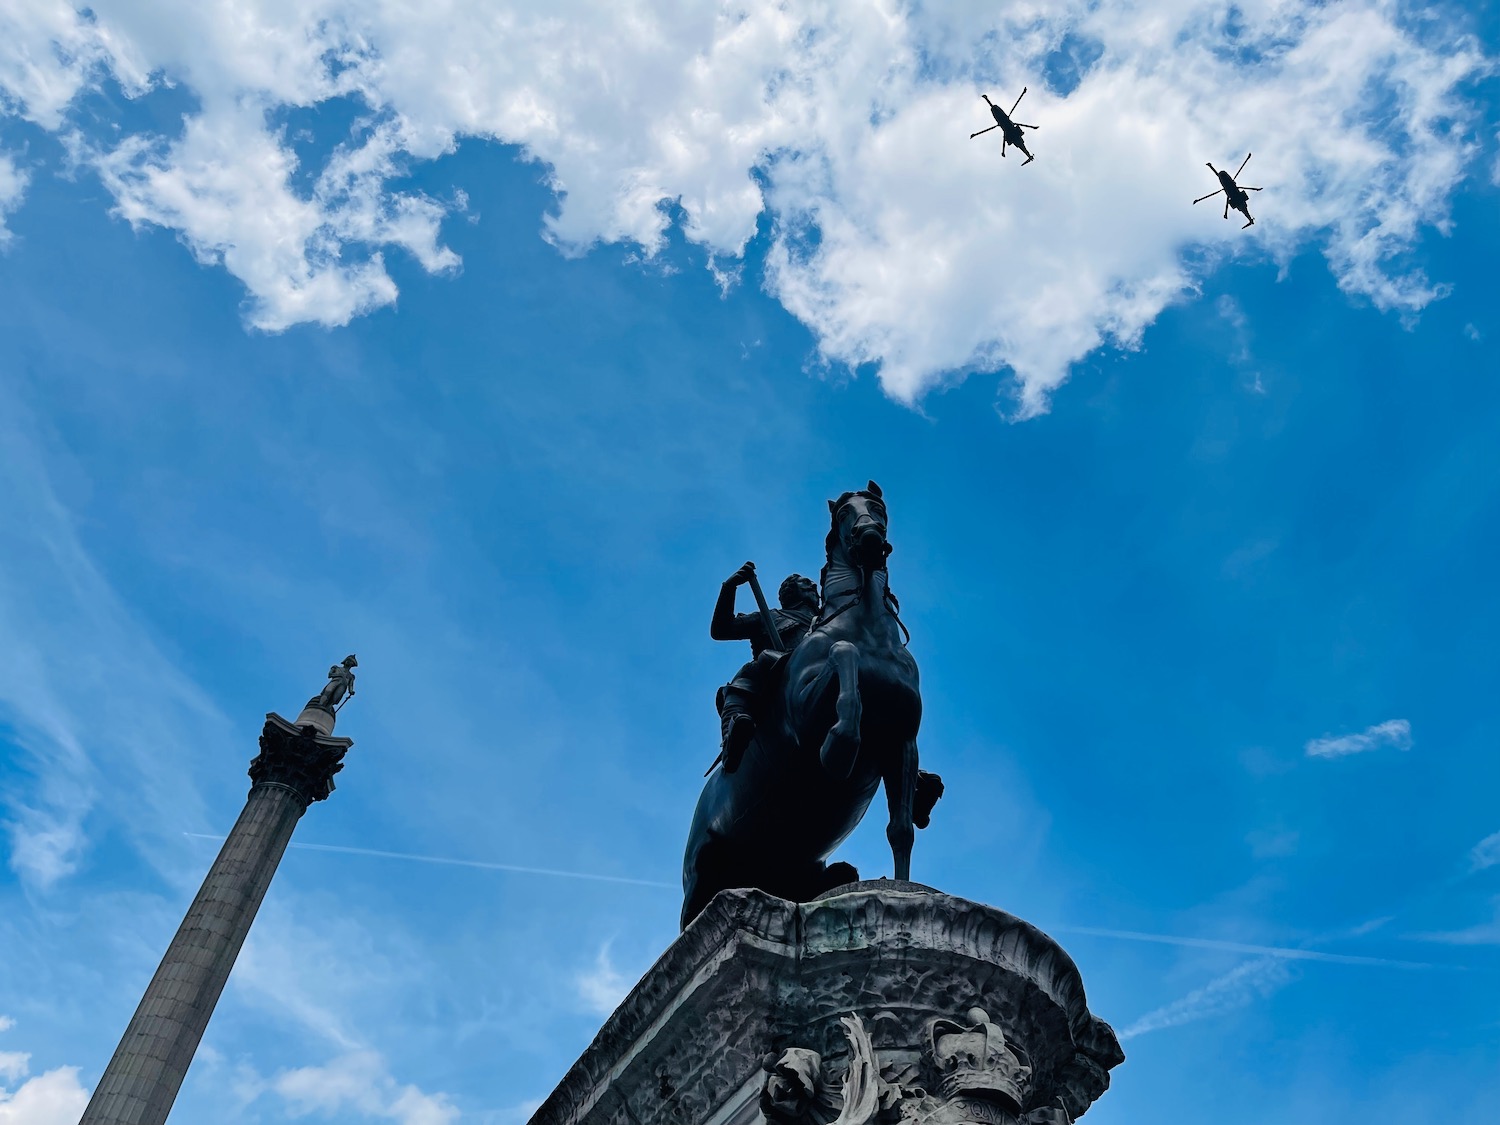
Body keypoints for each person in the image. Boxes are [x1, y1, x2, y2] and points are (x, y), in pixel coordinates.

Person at [710, 562, 819, 773]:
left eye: (812, 584)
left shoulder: (826, 622)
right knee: (743, 681)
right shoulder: (771, 617)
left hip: (815, 674)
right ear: (792, 592)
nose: (813, 586)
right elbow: (721, 629)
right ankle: (732, 738)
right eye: (805, 584)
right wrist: (729, 587)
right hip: (772, 673)